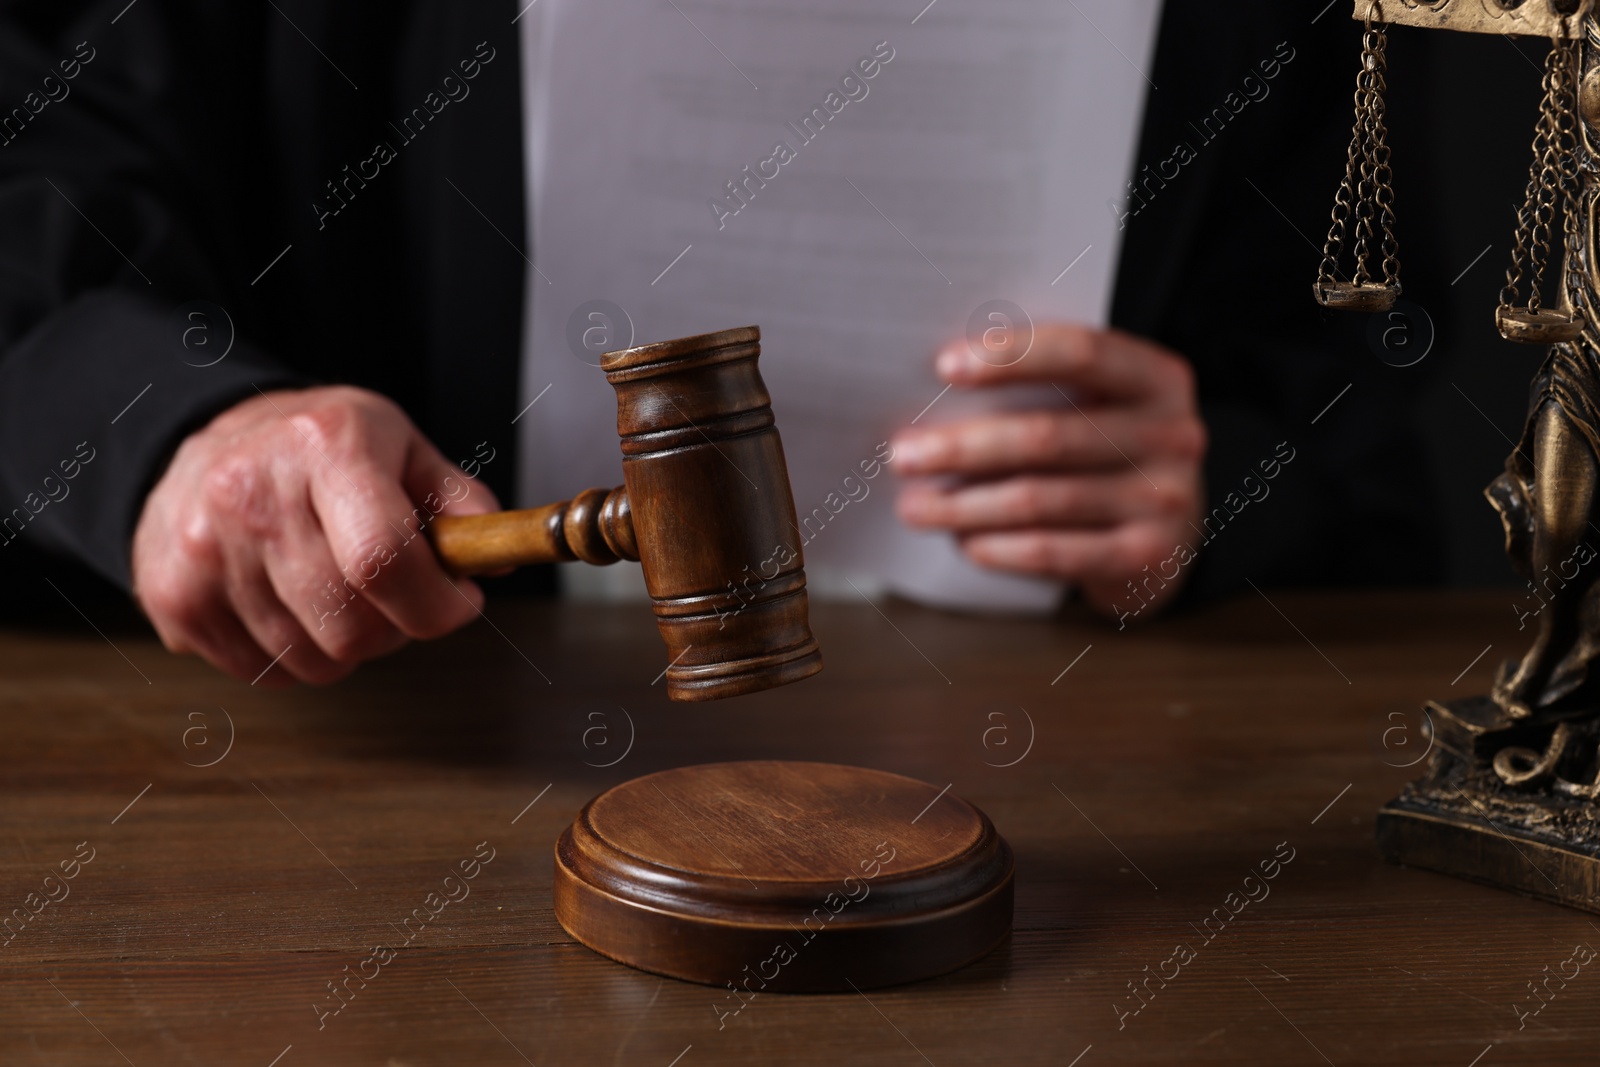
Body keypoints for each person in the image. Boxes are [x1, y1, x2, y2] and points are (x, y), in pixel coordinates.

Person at [0, 1, 1446, 685]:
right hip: (393, 753)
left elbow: (1376, 398)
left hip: (1064, 767)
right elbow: (36, 211)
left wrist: (1218, 497)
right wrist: (180, 434)